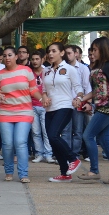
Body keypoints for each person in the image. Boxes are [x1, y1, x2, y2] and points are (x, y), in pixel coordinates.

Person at [76, 37, 109, 183]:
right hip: (102, 106)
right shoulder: (97, 66)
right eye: (91, 50)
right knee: (104, 141)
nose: (92, 52)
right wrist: (82, 99)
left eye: (95, 49)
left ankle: (94, 170)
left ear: (103, 49)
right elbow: (96, 90)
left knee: (88, 135)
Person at [0, 47, 41, 183]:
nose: (7, 58)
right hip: (4, 113)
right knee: (7, 144)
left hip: (24, 112)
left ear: (16, 57)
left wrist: (42, 99)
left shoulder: (26, 71)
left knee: (20, 142)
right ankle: (8, 171)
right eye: (5, 56)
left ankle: (23, 173)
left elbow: (33, 89)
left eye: (10, 55)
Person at [42, 42, 83, 182]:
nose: (51, 54)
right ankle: (64, 173)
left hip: (65, 106)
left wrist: (78, 98)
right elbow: (44, 90)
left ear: (61, 53)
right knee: (52, 140)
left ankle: (73, 159)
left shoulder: (70, 69)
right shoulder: (45, 70)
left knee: (53, 136)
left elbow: (79, 88)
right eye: (49, 51)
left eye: (54, 51)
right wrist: (44, 97)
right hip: (49, 109)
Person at [62, 44, 91, 158]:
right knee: (65, 131)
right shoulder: (62, 68)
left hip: (78, 102)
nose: (67, 56)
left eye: (69, 53)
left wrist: (85, 101)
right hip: (65, 103)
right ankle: (66, 154)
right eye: (66, 53)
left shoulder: (83, 68)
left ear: (76, 54)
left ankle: (74, 154)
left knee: (78, 131)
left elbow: (87, 87)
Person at [29, 51, 54, 163]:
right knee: (35, 132)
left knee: (46, 131)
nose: (35, 61)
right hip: (32, 106)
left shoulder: (48, 72)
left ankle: (48, 154)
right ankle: (39, 153)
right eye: (33, 59)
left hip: (45, 106)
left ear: (42, 59)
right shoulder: (28, 72)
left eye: (37, 59)